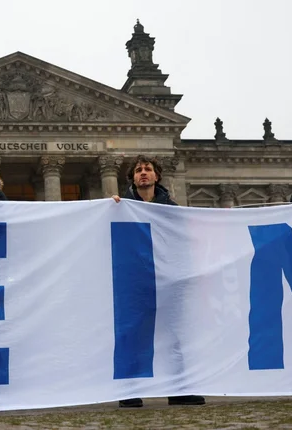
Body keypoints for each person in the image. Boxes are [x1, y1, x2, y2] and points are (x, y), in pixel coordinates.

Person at [112, 155, 204, 408]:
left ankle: (178, 389)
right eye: (138, 170)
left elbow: (182, 243)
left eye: (148, 169)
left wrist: (185, 274)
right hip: (133, 280)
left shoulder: (171, 208)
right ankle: (130, 390)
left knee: (173, 334)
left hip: (167, 279)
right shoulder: (119, 206)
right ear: (132, 178)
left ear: (157, 176)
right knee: (132, 333)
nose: (143, 173)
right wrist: (109, 208)